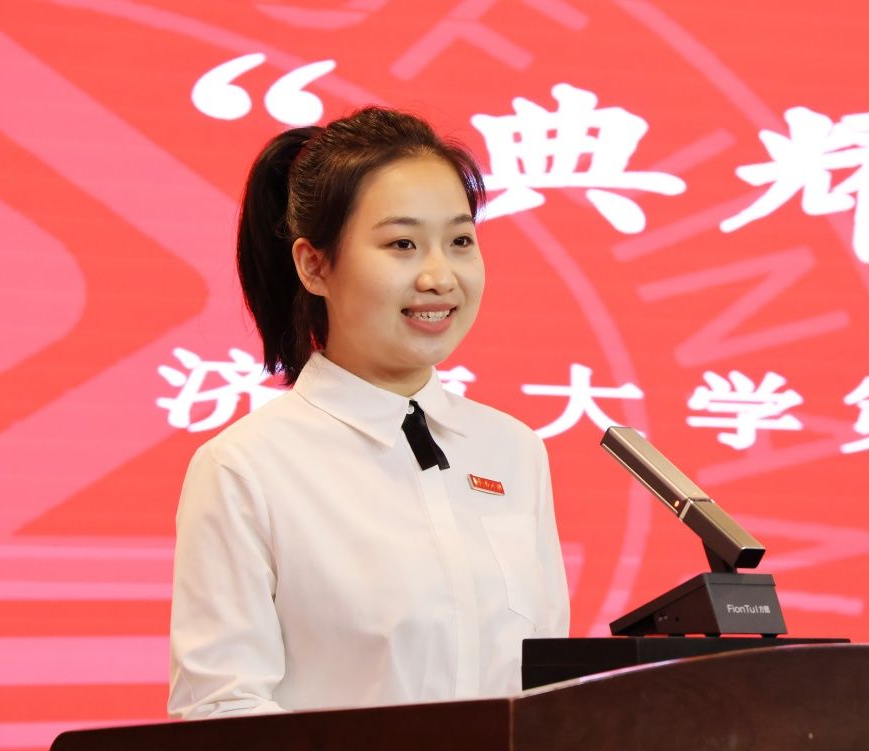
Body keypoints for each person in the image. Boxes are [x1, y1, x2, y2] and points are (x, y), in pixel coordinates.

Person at [168, 107, 569, 718]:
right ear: (314, 265)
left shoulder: (512, 449)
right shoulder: (245, 467)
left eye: (460, 241)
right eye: (402, 244)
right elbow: (219, 710)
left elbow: (548, 690)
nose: (440, 277)